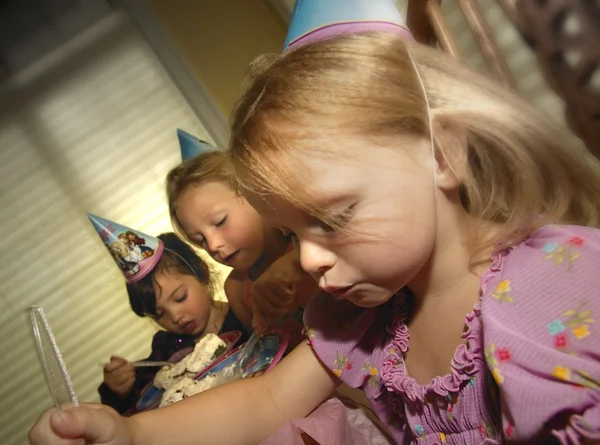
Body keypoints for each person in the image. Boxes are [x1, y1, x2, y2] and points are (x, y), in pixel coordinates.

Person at [29, 0, 600, 444]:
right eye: (294, 234)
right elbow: (268, 400)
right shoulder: (365, 319)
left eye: (333, 216)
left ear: (441, 154)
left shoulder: (562, 290)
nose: (305, 260)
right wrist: (132, 432)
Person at [166, 149, 317, 347]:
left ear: (252, 193)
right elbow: (265, 355)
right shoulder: (237, 289)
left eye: (220, 222)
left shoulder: (308, 235)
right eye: (200, 239)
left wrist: (295, 262)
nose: (212, 245)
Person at [98, 230, 252, 415]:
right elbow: (142, 401)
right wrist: (119, 392)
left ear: (201, 272)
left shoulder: (242, 313)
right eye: (159, 314)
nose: (175, 317)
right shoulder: (167, 349)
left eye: (180, 298)